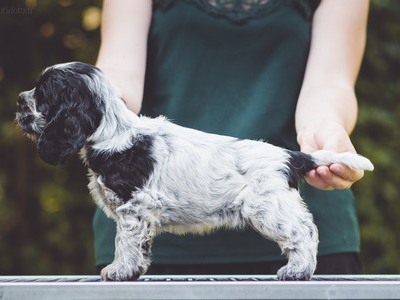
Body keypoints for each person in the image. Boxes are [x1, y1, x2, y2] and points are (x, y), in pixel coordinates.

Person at [93, 0, 370, 275]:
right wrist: (99, 100)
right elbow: (120, 69)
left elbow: (330, 81)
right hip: (146, 237)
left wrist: (323, 125)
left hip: (312, 224)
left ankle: (301, 243)